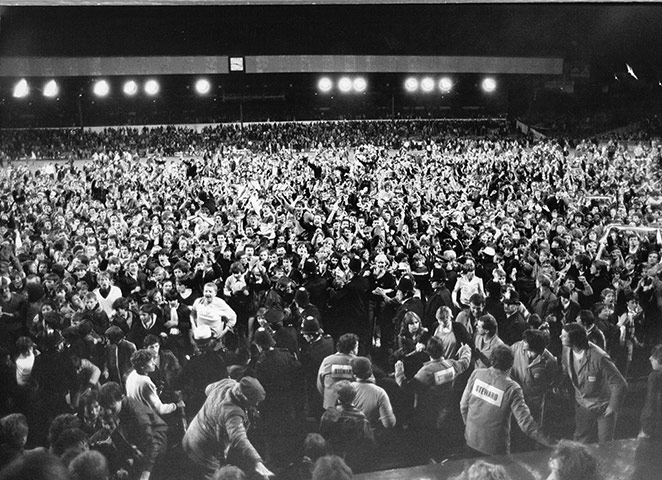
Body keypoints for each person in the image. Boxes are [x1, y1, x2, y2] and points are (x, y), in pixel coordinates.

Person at [460, 345, 553, 455]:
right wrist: (550, 442)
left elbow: (463, 404)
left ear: (492, 359)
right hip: (495, 448)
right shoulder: (512, 388)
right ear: (510, 364)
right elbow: (525, 422)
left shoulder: (476, 374)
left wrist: (470, 426)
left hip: (471, 439)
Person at [181, 376, 273, 480]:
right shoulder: (232, 413)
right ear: (244, 397)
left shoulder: (227, 383)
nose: (256, 404)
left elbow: (208, 389)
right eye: (254, 401)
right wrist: (257, 461)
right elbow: (239, 439)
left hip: (192, 434)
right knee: (212, 476)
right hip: (203, 449)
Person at [560, 323, 628, 444]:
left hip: (603, 406)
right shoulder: (567, 350)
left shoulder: (599, 357)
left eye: (564, 336)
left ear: (575, 340)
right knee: (580, 439)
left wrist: (612, 407)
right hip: (583, 404)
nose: (560, 337)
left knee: (605, 442)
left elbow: (620, 384)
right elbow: (566, 370)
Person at [98, 381, 168, 480]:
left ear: (121, 398)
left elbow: (152, 444)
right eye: (105, 408)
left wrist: (146, 473)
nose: (108, 411)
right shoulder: (118, 406)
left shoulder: (138, 416)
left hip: (156, 440)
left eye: (111, 407)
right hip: (139, 439)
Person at [319, 381, 374, 472]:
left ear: (337, 398)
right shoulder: (362, 418)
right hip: (356, 462)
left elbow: (322, 436)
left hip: (334, 461)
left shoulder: (328, 415)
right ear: (354, 397)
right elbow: (370, 441)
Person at [510, 329, 558, 423]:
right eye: (525, 350)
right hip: (516, 395)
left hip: (535, 400)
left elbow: (550, 381)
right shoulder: (516, 347)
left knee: (533, 424)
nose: (528, 354)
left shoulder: (550, 361)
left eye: (531, 351)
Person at [125, 349, 185, 417]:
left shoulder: (131, 375)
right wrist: (175, 405)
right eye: (151, 362)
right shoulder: (145, 381)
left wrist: (156, 393)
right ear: (142, 366)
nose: (154, 363)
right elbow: (159, 410)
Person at [349, 356, 396, 431]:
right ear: (370, 371)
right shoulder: (379, 393)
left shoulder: (347, 388)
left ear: (352, 373)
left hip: (350, 433)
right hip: (370, 434)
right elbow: (389, 423)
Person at [317, 333, 359, 409]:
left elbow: (320, 384)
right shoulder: (358, 363)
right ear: (353, 349)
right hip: (353, 406)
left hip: (330, 406)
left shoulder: (327, 361)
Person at [638, 343, 662, 438]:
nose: (650, 358)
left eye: (655, 356)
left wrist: (646, 428)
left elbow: (651, 404)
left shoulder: (655, 377)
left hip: (654, 428)